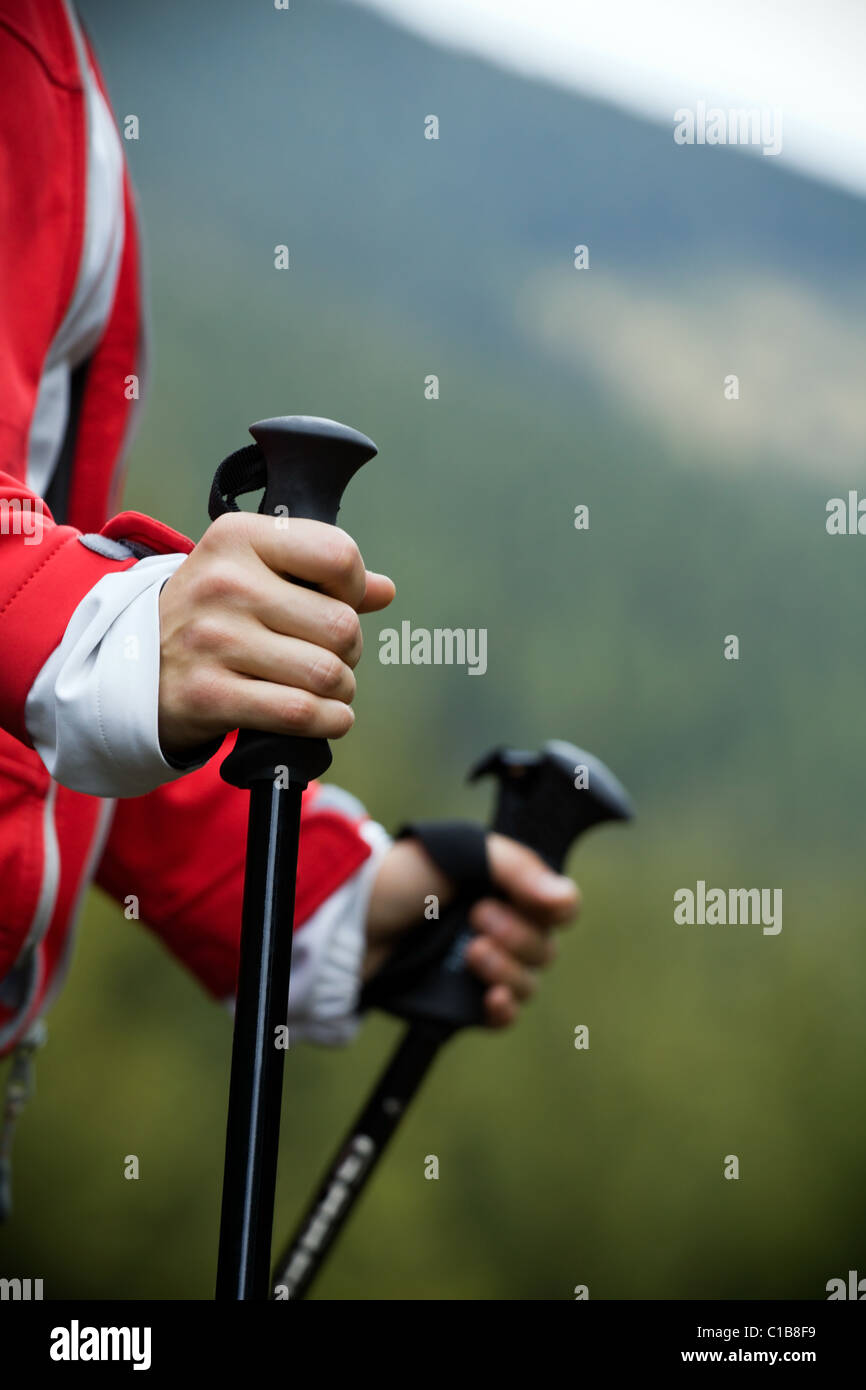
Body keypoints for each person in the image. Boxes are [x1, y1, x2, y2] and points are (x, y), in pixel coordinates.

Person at [0, 0, 578, 1200]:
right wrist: (101, 623)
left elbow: (47, 705)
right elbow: (67, 640)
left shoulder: (57, 70)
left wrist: (334, 899)